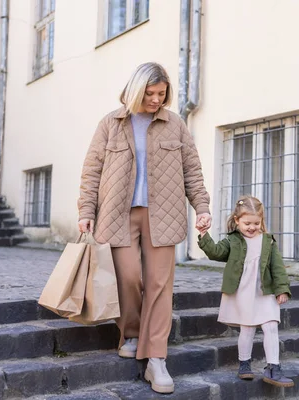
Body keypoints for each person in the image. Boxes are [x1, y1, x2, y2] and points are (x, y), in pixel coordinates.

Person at [77, 62, 211, 394]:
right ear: (136, 90)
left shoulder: (174, 124)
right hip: (117, 213)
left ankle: (156, 358)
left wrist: (202, 207)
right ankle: (132, 332)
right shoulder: (111, 123)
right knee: (127, 277)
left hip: (163, 214)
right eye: (149, 94)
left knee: (159, 284)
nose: (155, 100)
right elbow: (92, 170)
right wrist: (86, 210)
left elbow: (192, 170)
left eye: (161, 94)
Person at [196, 195, 294, 387]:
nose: (252, 227)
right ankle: (244, 364)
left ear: (261, 222)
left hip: (265, 292)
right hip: (243, 292)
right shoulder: (232, 241)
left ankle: (273, 367)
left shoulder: (268, 241)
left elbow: (278, 267)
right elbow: (216, 252)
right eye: (247, 223)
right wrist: (203, 235)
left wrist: (282, 289)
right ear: (237, 221)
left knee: (271, 326)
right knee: (247, 329)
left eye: (256, 223)